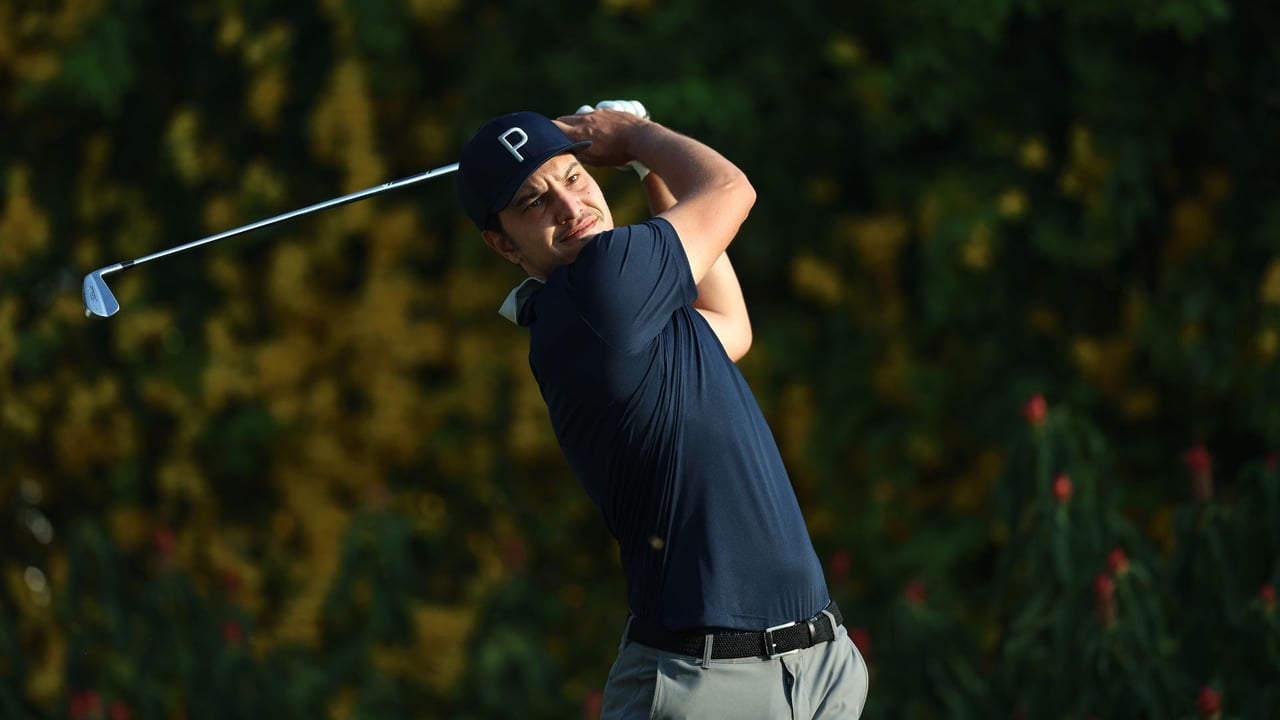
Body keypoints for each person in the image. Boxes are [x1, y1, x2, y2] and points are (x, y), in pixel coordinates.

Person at [456, 102, 869, 718]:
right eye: (534, 202)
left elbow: (729, 326)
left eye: (573, 177)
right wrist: (634, 135)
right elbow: (731, 189)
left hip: (816, 663)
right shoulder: (601, 286)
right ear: (503, 245)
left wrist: (647, 171)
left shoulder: (617, 308)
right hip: (708, 684)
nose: (569, 206)